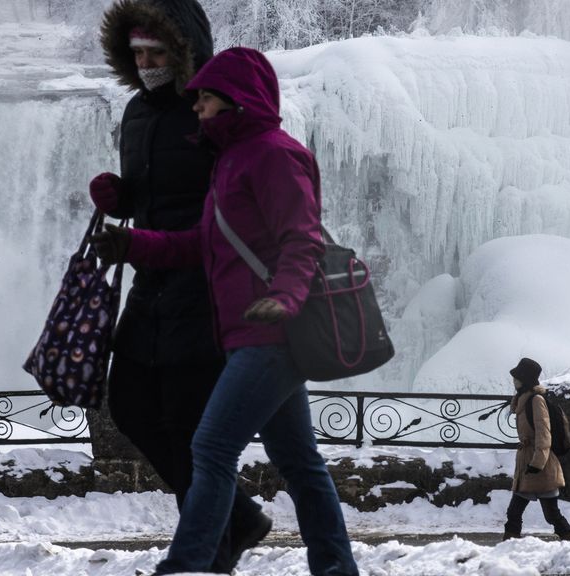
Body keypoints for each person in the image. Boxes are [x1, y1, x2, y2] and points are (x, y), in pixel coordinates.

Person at [91, 46, 360, 576]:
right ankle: (336, 568)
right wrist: (135, 245)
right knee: (301, 465)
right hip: (246, 334)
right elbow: (203, 244)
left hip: (272, 335)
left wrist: (283, 297)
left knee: (210, 448)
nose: (196, 108)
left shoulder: (274, 154)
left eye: (206, 99)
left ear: (237, 100)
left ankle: (187, 565)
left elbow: (301, 238)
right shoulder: (232, 159)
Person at [90, 1, 270, 572]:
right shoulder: (137, 113)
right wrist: (121, 196)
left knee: (190, 426)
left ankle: (207, 554)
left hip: (208, 286)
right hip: (152, 279)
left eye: (157, 53)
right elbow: (155, 193)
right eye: (137, 54)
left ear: (183, 50)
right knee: (132, 403)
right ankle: (236, 519)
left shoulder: (211, 112)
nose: (146, 64)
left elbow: (230, 208)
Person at [503, 357, 570, 541]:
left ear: (526, 379)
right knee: (514, 511)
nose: (514, 381)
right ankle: (509, 542)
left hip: (540, 465)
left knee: (551, 514)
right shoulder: (524, 399)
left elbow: (544, 434)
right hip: (528, 463)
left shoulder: (536, 400)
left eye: (517, 377)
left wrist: (537, 463)